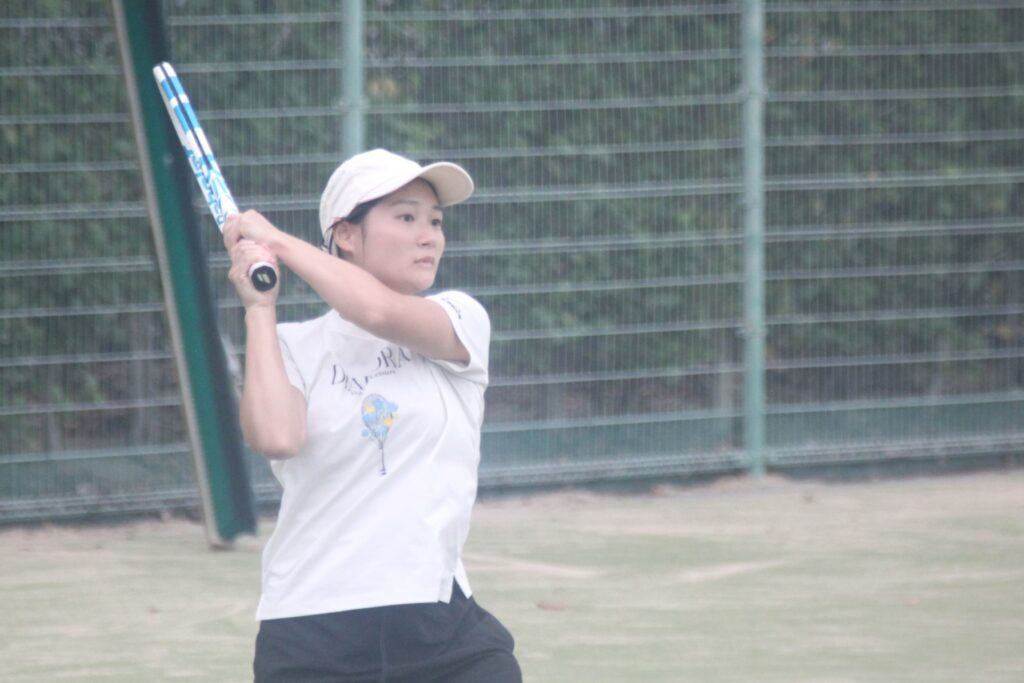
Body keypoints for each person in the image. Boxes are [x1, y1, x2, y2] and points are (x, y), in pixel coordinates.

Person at [222, 148, 522, 682]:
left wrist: (275, 240)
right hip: (312, 631)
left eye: (435, 222)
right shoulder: (294, 345)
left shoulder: (460, 320)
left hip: (439, 628)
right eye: (406, 218)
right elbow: (276, 437)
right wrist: (259, 308)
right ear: (346, 234)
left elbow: (377, 310)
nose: (428, 236)